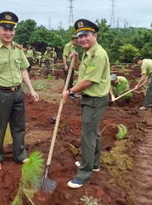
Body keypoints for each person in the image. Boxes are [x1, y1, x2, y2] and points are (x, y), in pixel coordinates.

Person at [0, 11, 40, 172]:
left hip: (18, 93)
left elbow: (23, 70)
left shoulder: (18, 49)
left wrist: (31, 90)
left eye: (11, 30)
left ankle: (20, 154)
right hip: (0, 94)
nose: (8, 33)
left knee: (19, 126)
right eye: (5, 29)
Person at [61, 19, 110, 189]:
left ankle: (84, 173)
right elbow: (81, 70)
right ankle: (93, 163)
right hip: (90, 99)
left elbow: (88, 81)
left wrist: (70, 92)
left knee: (87, 135)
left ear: (94, 35)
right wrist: (74, 58)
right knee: (93, 133)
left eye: (86, 35)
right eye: (80, 36)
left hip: (94, 100)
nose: (82, 39)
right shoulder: (88, 52)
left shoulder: (98, 55)